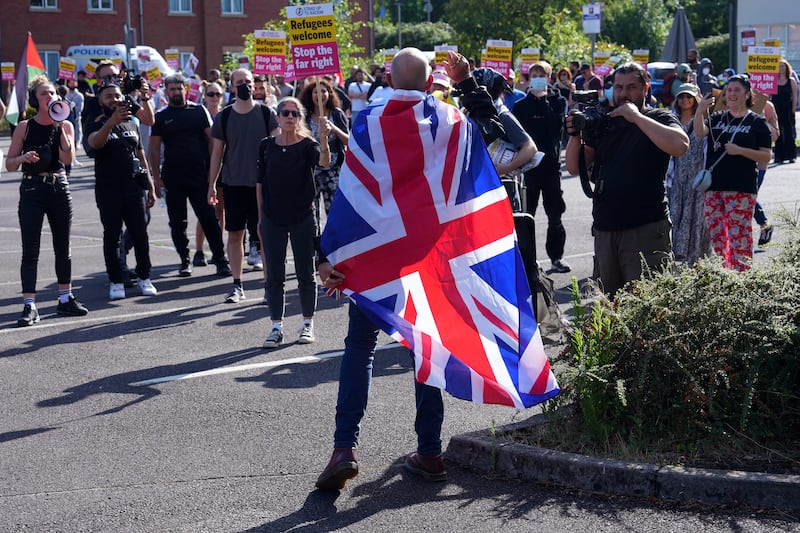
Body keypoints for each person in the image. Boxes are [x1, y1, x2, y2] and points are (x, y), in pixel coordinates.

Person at [315, 48, 503, 491]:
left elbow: (351, 194)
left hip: (377, 258)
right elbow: (493, 131)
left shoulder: (368, 122)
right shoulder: (451, 121)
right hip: (426, 260)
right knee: (426, 347)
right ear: (428, 81)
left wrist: (328, 256)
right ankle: (430, 452)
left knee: (359, 347)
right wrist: (467, 82)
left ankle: (345, 446)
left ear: (388, 78)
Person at [565, 62, 689, 297]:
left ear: (646, 88)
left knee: (647, 306)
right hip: (606, 228)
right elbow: (573, 167)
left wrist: (636, 117)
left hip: (645, 228)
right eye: (619, 87)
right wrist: (575, 135)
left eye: (631, 87)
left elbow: (680, 145)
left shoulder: (657, 117)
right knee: (610, 306)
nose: (624, 94)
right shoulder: (603, 122)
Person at [5, 75, 89, 326]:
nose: (49, 97)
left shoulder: (66, 125)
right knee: (30, 249)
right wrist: (22, 158)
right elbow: (9, 164)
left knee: (63, 246)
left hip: (59, 188)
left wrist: (62, 127)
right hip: (32, 189)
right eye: (43, 93)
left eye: (52, 93)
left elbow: (67, 158)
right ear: (34, 99)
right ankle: (29, 305)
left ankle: (65, 298)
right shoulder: (24, 127)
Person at [257, 98, 331, 348]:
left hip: (302, 218)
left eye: (294, 113)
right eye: (284, 113)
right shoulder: (266, 146)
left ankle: (307, 324)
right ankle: (276, 327)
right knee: (274, 276)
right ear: (277, 117)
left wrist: (323, 139)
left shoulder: (308, 145)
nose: (289, 117)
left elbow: (323, 161)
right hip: (272, 218)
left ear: (300, 118)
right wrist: (260, 217)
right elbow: (260, 183)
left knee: (305, 274)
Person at [207, 68, 279, 303]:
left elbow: (278, 148)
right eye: (240, 82)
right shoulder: (224, 117)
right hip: (234, 183)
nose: (245, 85)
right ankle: (237, 285)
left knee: (264, 234)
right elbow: (217, 153)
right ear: (232, 86)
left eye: (248, 81)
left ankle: (270, 286)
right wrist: (211, 185)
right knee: (235, 234)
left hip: (263, 185)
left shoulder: (267, 113)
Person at [149, 74, 231, 278]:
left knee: (209, 218)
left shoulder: (198, 111)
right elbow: (153, 149)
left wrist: (213, 173)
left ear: (185, 89)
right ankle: (185, 260)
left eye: (179, 88)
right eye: (172, 89)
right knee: (177, 222)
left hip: (199, 175)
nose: (176, 92)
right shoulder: (160, 116)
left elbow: (213, 141)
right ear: (166, 92)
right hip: (173, 176)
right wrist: (156, 179)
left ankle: (220, 260)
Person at [84, 82, 158, 299]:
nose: (114, 100)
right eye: (108, 96)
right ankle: (116, 280)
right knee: (112, 236)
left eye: (117, 96)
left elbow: (140, 153)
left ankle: (145, 277)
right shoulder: (94, 124)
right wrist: (110, 124)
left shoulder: (132, 123)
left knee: (140, 235)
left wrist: (150, 185)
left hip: (134, 189)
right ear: (100, 101)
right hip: (109, 190)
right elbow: (95, 144)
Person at [693, 75, 772, 271]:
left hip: (741, 187)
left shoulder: (757, 123)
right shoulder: (718, 117)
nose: (732, 94)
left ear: (747, 94)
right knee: (717, 235)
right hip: (713, 187)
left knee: (740, 236)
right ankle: (725, 273)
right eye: (729, 90)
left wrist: (740, 151)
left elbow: (766, 156)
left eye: (737, 90)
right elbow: (699, 132)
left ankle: (742, 276)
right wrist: (700, 111)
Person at [513, 61, 571, 273]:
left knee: (555, 215)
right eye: (533, 74)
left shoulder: (558, 102)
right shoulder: (520, 105)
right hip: (528, 169)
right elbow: (517, 135)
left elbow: (556, 129)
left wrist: (543, 101)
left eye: (541, 74)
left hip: (551, 168)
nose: (536, 77)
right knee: (527, 216)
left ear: (548, 78)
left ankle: (556, 258)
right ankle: (529, 260)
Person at [667, 83, 712, 265]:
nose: (685, 100)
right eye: (682, 97)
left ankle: (696, 256)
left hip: (697, 177)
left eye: (689, 97)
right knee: (676, 214)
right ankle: (678, 253)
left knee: (697, 217)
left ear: (695, 99)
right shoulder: (672, 120)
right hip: (677, 177)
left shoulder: (703, 120)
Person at [299, 78, 350, 231]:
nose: (320, 95)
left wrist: (333, 128)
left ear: (329, 94)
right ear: (310, 95)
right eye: (316, 92)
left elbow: (349, 141)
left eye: (323, 91)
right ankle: (315, 247)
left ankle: (335, 247)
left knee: (335, 213)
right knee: (311, 214)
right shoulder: (304, 116)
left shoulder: (336, 114)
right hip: (311, 172)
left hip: (333, 171)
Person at [193, 81, 227, 266]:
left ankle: (217, 249)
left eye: (218, 94)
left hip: (223, 167)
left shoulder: (226, 115)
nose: (214, 97)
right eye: (211, 94)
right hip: (205, 167)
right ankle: (199, 250)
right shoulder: (200, 115)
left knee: (220, 211)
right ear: (205, 96)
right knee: (205, 212)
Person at [754, 97, 780, 245]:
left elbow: (775, 135)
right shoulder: (734, 102)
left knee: (747, 196)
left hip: (758, 163)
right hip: (735, 162)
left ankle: (764, 224)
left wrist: (761, 118)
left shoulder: (767, 106)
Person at [772, 59, 798, 164]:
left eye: (783, 66)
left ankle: (791, 155)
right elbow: (768, 95)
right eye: (779, 66)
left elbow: (795, 96)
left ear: (786, 67)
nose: (781, 68)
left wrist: (793, 109)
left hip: (787, 109)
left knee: (789, 132)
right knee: (778, 133)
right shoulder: (773, 80)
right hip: (776, 109)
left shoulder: (791, 80)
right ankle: (779, 156)